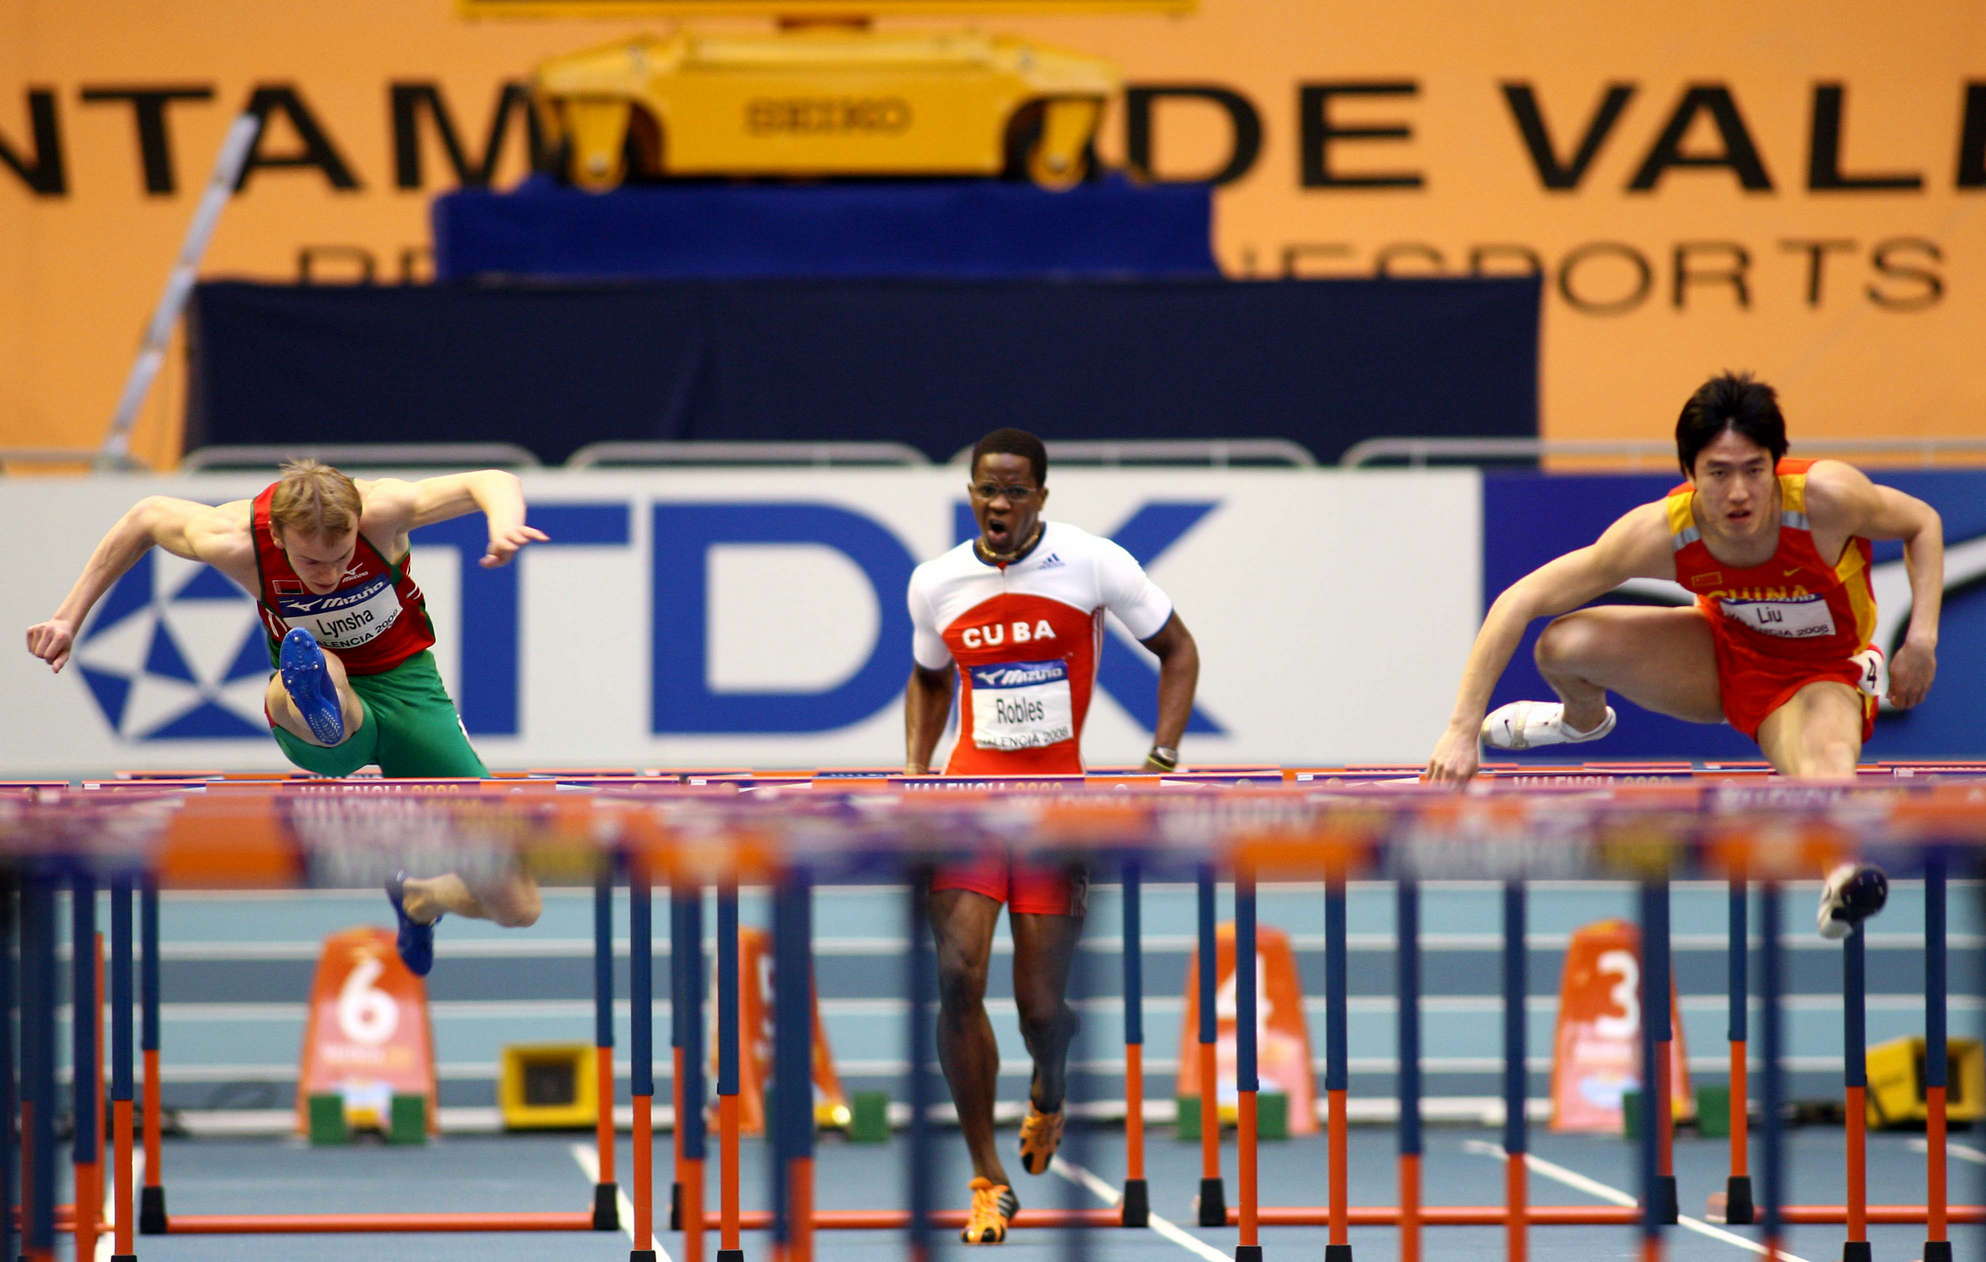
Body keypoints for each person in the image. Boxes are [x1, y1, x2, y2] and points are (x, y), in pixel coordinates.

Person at [1424, 372, 1942, 934]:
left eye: (1754, 470)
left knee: (1825, 759)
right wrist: (1460, 729)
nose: (1739, 493)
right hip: (1718, 656)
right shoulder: (1662, 533)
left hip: (1822, 673)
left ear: (1776, 463)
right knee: (1563, 643)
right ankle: (1581, 721)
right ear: (1690, 474)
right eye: (1718, 473)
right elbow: (1518, 600)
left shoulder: (1827, 500)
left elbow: (1921, 523)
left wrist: (1921, 640)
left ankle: (1842, 876)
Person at [25, 459, 549, 972]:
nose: (330, 575)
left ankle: (421, 896)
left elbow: (491, 479)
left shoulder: (383, 509)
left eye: (341, 557)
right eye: (312, 562)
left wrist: (503, 523)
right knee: (317, 666)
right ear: (277, 537)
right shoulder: (232, 538)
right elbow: (145, 516)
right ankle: (323, 708)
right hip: (313, 706)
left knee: (519, 906)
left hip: (410, 691)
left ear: (356, 526)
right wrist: (67, 618)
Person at [903, 427, 1200, 1244]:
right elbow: (928, 679)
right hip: (966, 803)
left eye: (1013, 491)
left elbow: (1178, 651)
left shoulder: (1094, 563)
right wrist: (917, 771)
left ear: (1040, 496)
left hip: (1057, 809)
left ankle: (1049, 1089)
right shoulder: (935, 582)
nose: (997, 504)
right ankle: (987, 1178)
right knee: (958, 976)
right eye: (985, 490)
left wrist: (1160, 759)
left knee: (1040, 1008)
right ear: (970, 494)